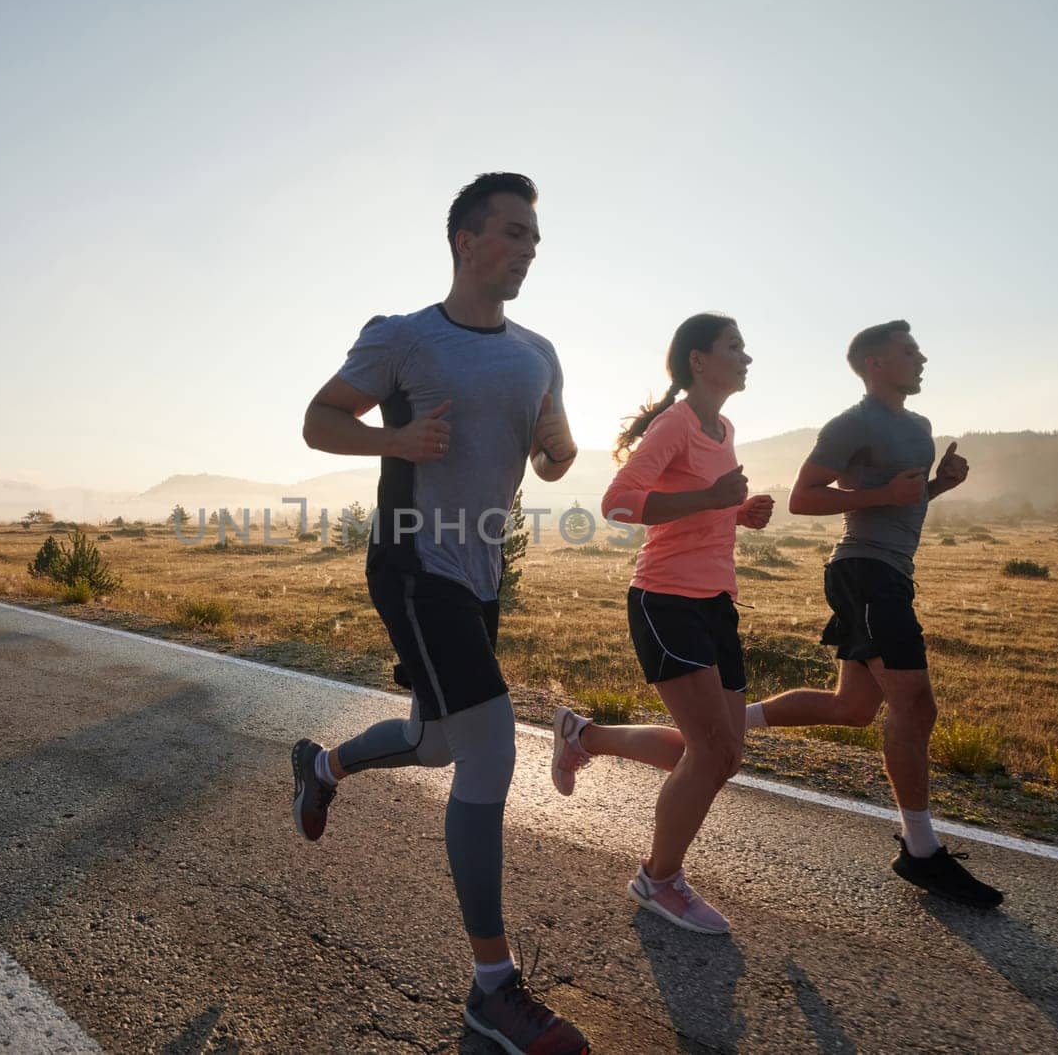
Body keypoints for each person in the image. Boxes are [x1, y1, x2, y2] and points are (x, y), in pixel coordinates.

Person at [290, 172, 590, 1054]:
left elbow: (555, 453)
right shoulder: (403, 339)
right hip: (416, 560)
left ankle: (322, 766)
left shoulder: (540, 352)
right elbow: (318, 420)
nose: (529, 247)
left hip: (481, 570)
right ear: (466, 240)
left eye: (535, 235)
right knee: (492, 742)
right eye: (513, 231)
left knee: (438, 741)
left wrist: (561, 449)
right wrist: (394, 439)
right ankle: (492, 988)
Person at [743, 319, 1003, 908]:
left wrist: (939, 486)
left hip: (890, 573)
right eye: (909, 351)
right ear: (875, 364)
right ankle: (920, 850)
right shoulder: (853, 424)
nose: (922, 357)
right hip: (863, 571)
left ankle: (732, 720)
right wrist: (882, 495)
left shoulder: (919, 427)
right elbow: (803, 498)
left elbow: (903, 504)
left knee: (853, 707)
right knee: (915, 703)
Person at [549, 313, 774, 935]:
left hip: (715, 602)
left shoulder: (722, 426)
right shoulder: (676, 424)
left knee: (717, 756)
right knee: (712, 753)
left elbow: (700, 506)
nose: (746, 357)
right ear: (699, 361)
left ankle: (584, 737)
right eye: (736, 346)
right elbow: (618, 501)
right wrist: (712, 498)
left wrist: (735, 512)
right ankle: (659, 880)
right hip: (666, 600)